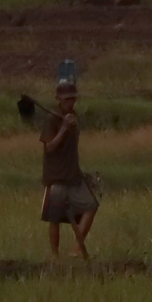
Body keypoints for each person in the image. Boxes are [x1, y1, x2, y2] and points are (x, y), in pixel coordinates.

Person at [39, 78, 98, 260]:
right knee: (55, 218)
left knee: (91, 206)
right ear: (58, 99)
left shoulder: (75, 117)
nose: (69, 102)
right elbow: (49, 147)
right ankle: (55, 257)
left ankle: (75, 251)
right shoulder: (51, 119)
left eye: (72, 99)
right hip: (56, 176)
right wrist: (63, 128)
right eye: (66, 99)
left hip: (73, 176)